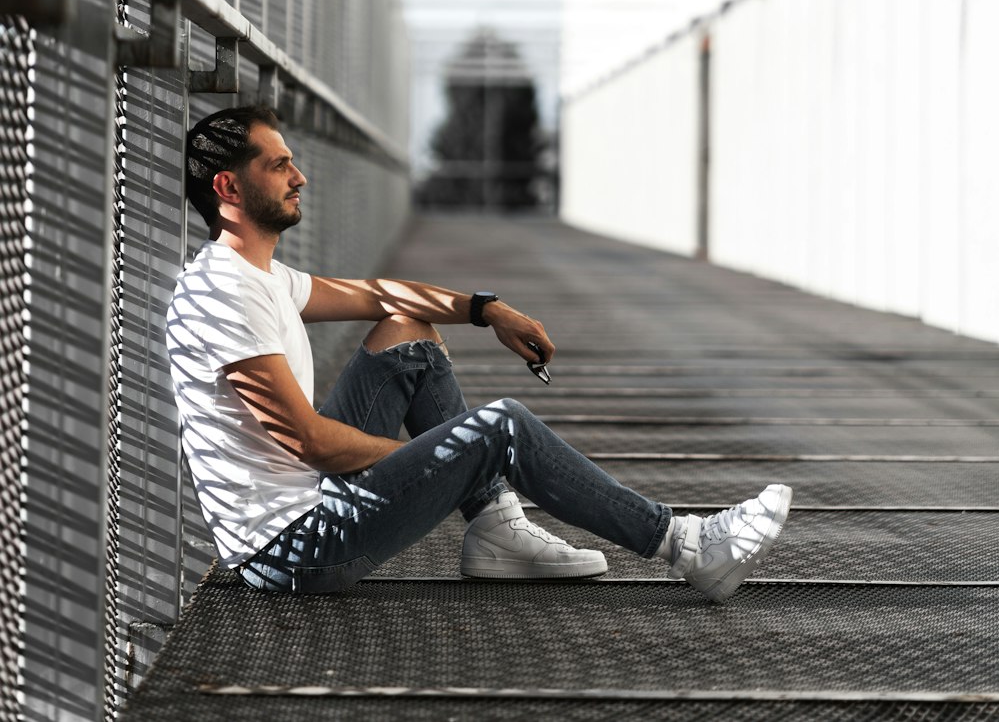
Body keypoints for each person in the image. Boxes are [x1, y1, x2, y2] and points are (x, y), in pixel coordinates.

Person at [166, 105, 791, 598]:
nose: (300, 176)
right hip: (293, 549)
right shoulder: (224, 293)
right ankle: (690, 547)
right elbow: (312, 444)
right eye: (278, 165)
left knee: (408, 333)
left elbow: (381, 295)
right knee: (500, 428)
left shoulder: (258, 276)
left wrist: (485, 309)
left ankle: (495, 530)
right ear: (229, 185)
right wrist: (452, 453)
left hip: (309, 503)